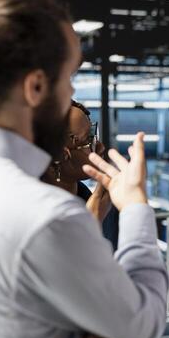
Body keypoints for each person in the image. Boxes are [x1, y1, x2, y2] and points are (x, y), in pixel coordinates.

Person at [0, 0, 167, 338]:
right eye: (68, 78)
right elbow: (144, 324)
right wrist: (136, 206)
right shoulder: (46, 217)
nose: (72, 94)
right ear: (35, 88)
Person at [42, 100, 120, 251]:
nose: (100, 146)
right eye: (88, 140)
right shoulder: (36, 217)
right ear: (62, 154)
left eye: (94, 134)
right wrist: (90, 227)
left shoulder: (102, 204)